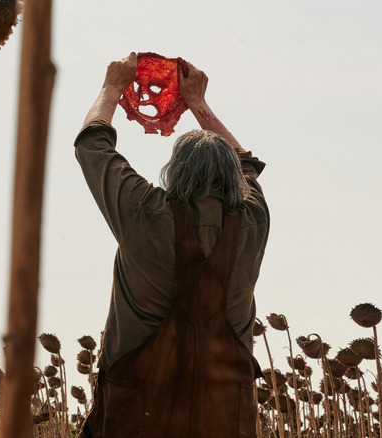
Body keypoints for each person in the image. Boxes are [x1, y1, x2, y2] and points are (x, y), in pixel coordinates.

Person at [74, 52, 270, 437]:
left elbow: (92, 147)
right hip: (225, 419)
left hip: (138, 416)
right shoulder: (253, 221)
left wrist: (112, 87)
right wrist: (198, 103)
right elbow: (246, 163)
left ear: (174, 173)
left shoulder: (145, 211)